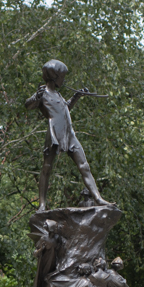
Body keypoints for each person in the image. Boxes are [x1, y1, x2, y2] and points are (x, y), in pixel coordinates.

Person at [25, 59, 109, 211]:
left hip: (69, 134)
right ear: (55, 76)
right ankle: (42, 205)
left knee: (84, 166)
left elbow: (65, 109)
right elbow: (28, 105)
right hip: (55, 134)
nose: (63, 80)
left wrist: (76, 96)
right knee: (47, 168)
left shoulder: (58, 94)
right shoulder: (43, 93)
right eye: (62, 77)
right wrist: (36, 97)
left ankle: (97, 198)